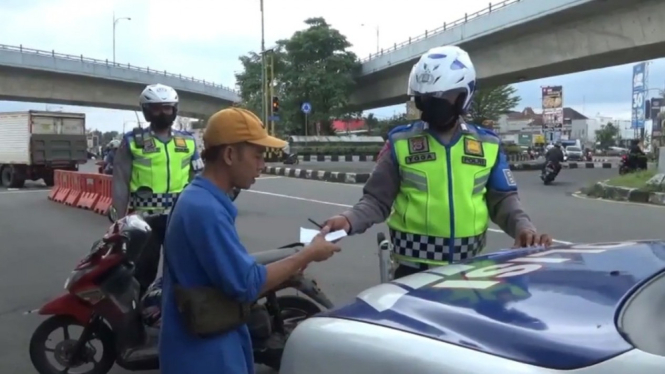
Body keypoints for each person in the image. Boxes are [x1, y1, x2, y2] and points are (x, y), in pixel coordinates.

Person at [322, 45, 551, 279]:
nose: (433, 104)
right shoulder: (400, 142)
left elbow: (503, 200)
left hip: (469, 268)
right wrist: (349, 220)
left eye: (443, 97)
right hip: (412, 271)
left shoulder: (487, 144)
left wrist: (524, 228)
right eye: (426, 98)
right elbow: (376, 200)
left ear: (464, 95)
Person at [159, 107, 341, 374]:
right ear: (230, 154)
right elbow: (246, 284)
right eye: (257, 155)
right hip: (206, 358)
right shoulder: (204, 209)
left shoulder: (202, 199)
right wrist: (308, 254)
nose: (262, 165)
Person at [112, 83, 203, 294]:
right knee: (142, 274)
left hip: (178, 219)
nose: (162, 112)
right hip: (145, 221)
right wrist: (118, 221)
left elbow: (198, 181)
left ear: (174, 110)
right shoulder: (132, 141)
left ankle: (172, 317)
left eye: (167, 107)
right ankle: (135, 320)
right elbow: (120, 183)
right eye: (156, 108)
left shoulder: (188, 142)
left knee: (181, 272)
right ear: (147, 111)